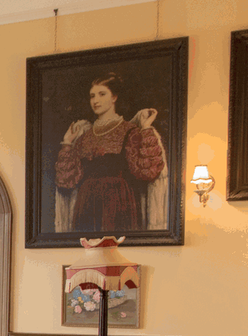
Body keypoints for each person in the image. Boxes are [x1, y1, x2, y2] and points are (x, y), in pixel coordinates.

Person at [54, 73, 168, 233]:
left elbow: (147, 170)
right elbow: (66, 181)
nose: (95, 100)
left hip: (118, 201)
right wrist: (67, 142)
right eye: (92, 96)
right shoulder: (84, 136)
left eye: (102, 94)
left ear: (114, 97)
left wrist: (147, 128)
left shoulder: (129, 130)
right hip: (86, 203)